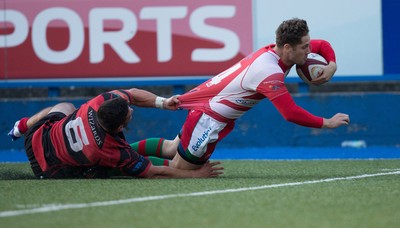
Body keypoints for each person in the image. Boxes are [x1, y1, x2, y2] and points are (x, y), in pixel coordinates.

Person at [130, 18, 350, 170]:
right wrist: (327, 122)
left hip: (209, 112)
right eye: (305, 47)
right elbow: (290, 113)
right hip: (208, 119)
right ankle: (114, 162)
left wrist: (332, 65)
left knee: (170, 148)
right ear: (287, 47)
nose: (310, 50)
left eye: (309, 45)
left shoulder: (278, 52)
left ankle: (118, 153)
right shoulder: (268, 72)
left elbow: (324, 45)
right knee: (180, 168)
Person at [7, 88, 223, 179]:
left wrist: (164, 103)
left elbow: (133, 95)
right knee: (108, 169)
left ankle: (23, 125)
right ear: (119, 128)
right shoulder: (110, 150)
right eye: (129, 113)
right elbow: (152, 172)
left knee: (64, 106)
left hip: (36, 138)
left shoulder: (99, 103)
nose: (131, 109)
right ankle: (175, 155)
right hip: (49, 169)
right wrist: (195, 174)